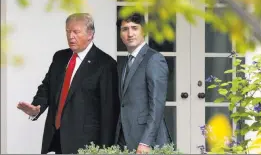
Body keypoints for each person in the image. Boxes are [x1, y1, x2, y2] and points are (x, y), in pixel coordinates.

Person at [17, 13, 120, 154]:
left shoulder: (106, 64)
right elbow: (47, 87)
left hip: (87, 144)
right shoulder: (59, 57)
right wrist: (36, 108)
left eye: (76, 32)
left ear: (90, 34)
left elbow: (109, 112)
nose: (71, 36)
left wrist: (105, 150)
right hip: (58, 137)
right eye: (68, 31)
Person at [115, 13, 172, 154]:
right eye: (125, 29)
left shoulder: (154, 59)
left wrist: (146, 141)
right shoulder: (123, 62)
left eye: (135, 28)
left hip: (146, 141)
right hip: (125, 138)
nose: (130, 33)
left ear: (144, 31)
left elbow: (157, 105)